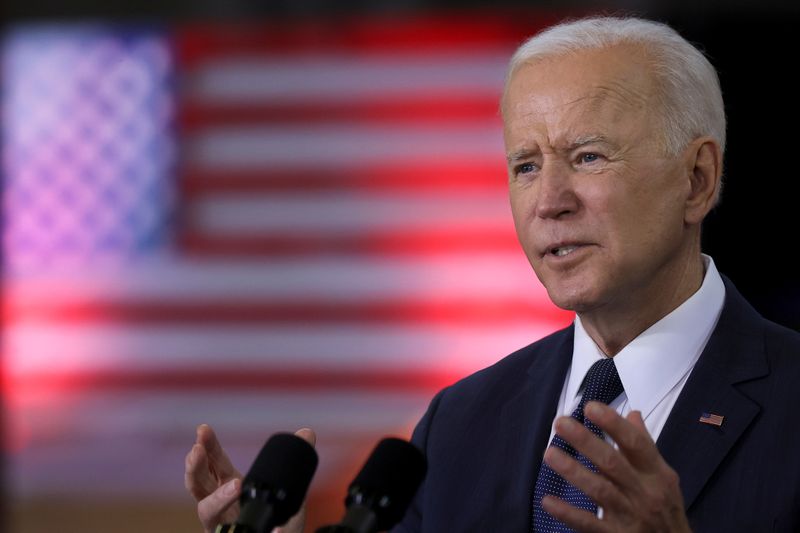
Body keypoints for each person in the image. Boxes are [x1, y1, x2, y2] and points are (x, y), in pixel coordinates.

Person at [185, 16, 800, 532]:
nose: (549, 200)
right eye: (526, 166)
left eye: (587, 156)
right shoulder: (460, 421)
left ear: (697, 180)